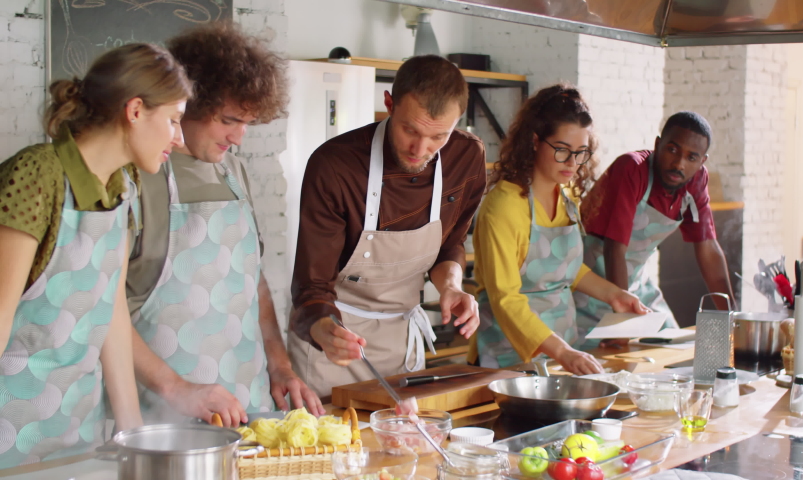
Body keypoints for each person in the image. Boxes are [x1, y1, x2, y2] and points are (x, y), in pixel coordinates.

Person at [0, 43, 191, 467]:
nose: (180, 139)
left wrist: (135, 440)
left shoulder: (126, 185)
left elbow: (110, 313)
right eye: (174, 120)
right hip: (9, 440)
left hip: (78, 440)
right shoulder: (37, 175)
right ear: (136, 110)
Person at [125, 22, 322, 428]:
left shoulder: (234, 171)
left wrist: (280, 364)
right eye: (229, 120)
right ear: (190, 103)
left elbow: (254, 280)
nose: (239, 137)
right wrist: (175, 388)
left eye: (248, 123)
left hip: (243, 404)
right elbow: (102, 312)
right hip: (160, 415)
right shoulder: (137, 176)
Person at [289, 55, 485, 399]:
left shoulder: (466, 157)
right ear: (389, 104)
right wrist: (323, 329)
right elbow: (312, 284)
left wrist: (451, 288)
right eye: (410, 129)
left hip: (403, 342)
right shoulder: (336, 165)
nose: (420, 149)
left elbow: (449, 244)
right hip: (337, 342)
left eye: (439, 136)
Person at [469, 85, 650, 375]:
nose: (572, 163)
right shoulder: (502, 207)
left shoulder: (566, 196)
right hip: (506, 356)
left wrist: (613, 295)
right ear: (535, 141)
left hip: (561, 352)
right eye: (562, 150)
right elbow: (505, 298)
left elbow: (568, 268)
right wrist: (561, 351)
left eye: (581, 152)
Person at [574, 111, 736, 334]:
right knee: (599, 359)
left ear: (701, 162)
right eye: (672, 150)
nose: (679, 164)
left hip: (635, 283)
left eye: (691, 157)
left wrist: (732, 318)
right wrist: (623, 323)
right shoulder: (631, 168)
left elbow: (707, 247)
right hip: (590, 283)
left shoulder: (696, 181)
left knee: (670, 340)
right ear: (658, 144)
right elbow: (614, 249)